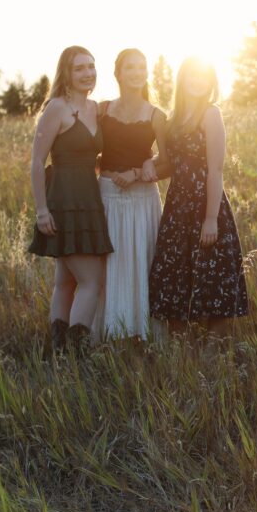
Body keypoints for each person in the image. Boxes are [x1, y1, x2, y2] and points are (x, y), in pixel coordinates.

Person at [148, 57, 248, 342]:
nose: (198, 81)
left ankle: (212, 352)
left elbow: (216, 169)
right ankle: (180, 351)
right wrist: (145, 165)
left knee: (213, 276)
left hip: (206, 203)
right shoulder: (173, 119)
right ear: (183, 80)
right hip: (177, 207)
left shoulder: (210, 114)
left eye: (204, 76)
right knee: (174, 274)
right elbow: (170, 163)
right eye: (193, 76)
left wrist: (211, 218)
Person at [28, 46, 113, 354]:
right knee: (92, 281)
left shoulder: (95, 108)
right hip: (63, 200)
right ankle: (76, 356)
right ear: (66, 73)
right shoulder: (56, 108)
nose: (88, 73)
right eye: (79, 68)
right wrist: (42, 211)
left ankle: (57, 353)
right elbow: (37, 162)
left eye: (91, 66)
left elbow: (90, 156)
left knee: (66, 281)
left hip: (88, 199)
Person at [91, 49, 167, 341]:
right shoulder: (102, 110)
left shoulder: (156, 115)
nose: (137, 73)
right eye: (130, 67)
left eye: (141, 67)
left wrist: (137, 172)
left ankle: (141, 332)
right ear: (118, 73)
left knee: (139, 262)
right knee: (108, 265)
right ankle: (107, 333)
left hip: (142, 200)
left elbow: (169, 162)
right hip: (106, 196)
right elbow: (88, 148)